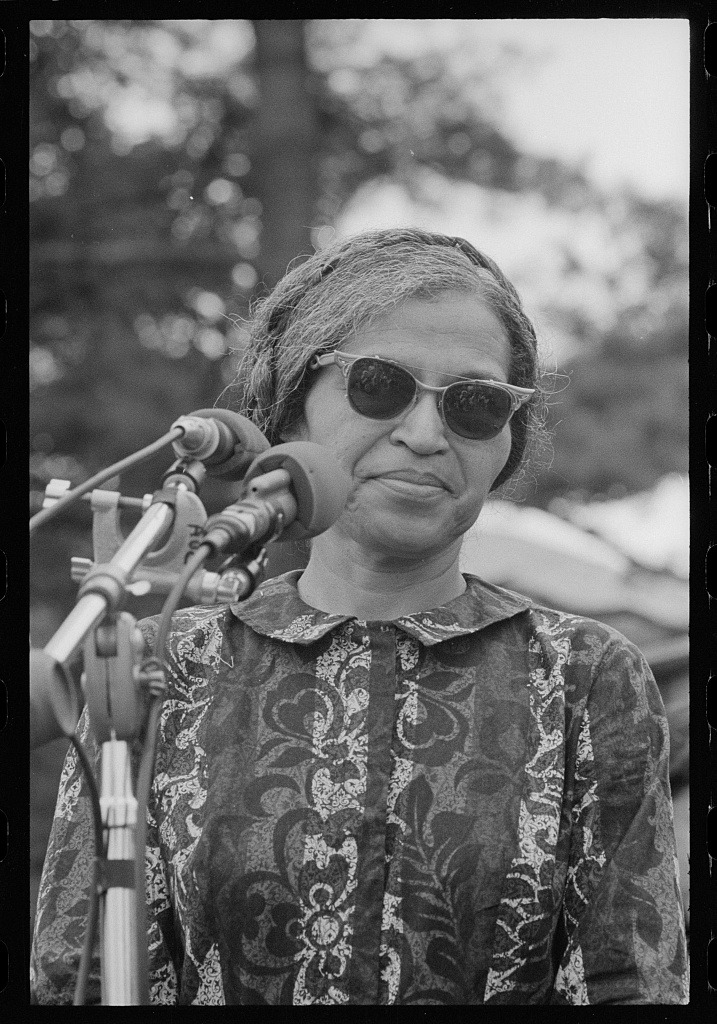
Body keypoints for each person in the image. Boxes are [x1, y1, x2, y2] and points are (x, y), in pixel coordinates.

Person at [30, 228, 688, 1005]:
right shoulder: (155, 662)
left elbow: (627, 984)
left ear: (504, 442)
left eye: (473, 405)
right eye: (379, 385)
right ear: (291, 405)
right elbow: (78, 977)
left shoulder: (586, 675)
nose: (422, 434)